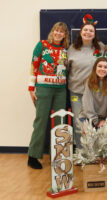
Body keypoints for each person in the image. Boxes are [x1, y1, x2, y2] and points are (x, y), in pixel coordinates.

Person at [27, 22, 70, 169]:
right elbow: (34, 65)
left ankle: (58, 156)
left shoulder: (65, 49)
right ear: (53, 32)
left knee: (60, 122)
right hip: (43, 88)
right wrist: (31, 88)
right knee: (41, 121)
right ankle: (33, 156)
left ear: (65, 35)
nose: (58, 34)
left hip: (60, 89)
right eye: (56, 31)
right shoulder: (42, 45)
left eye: (62, 32)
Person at [67, 14, 105, 149]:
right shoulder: (72, 48)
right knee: (79, 123)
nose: (88, 33)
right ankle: (81, 151)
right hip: (76, 91)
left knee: (94, 121)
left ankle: (94, 152)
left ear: (94, 34)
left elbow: (105, 66)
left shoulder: (100, 47)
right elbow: (66, 69)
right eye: (85, 30)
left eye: (91, 31)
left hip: (95, 91)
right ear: (81, 32)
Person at [79, 57, 107, 178]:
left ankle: (105, 166)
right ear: (95, 68)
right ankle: (91, 166)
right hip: (88, 116)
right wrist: (95, 122)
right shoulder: (89, 81)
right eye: (100, 66)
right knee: (90, 138)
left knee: (105, 136)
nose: (102, 69)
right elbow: (87, 104)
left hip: (105, 117)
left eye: (105, 67)